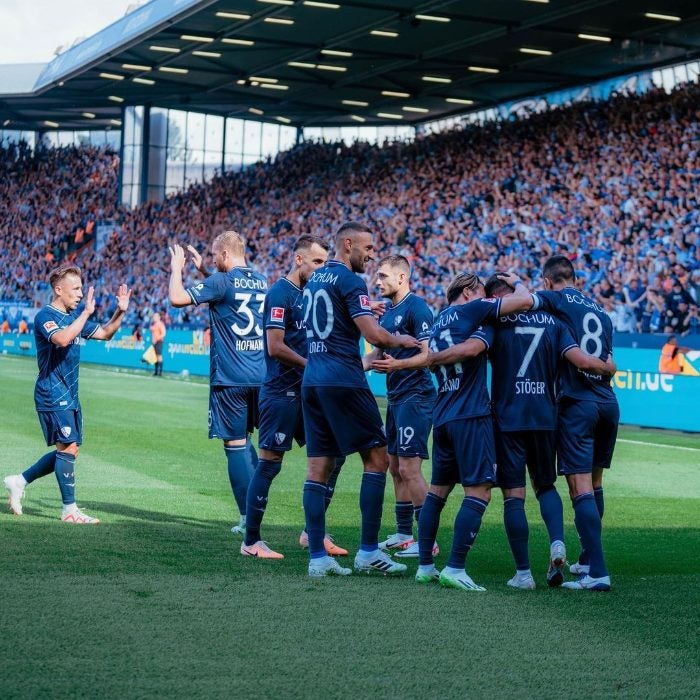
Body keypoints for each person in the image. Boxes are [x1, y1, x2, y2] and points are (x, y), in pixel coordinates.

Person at [301, 221, 421, 578]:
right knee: (377, 458)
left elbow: (343, 322)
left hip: (313, 380)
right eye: (368, 249)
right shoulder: (351, 281)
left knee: (316, 471)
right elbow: (371, 334)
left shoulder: (314, 282)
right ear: (348, 244)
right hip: (344, 380)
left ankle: (318, 559)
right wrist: (402, 341)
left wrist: (368, 318)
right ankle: (368, 551)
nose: (371, 256)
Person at [484, 275, 616, 589]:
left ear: (496, 297)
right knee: (546, 486)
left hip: (509, 415)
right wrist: (608, 367)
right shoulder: (555, 323)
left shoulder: (495, 319)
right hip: (546, 416)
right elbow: (580, 359)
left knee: (513, 495)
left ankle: (523, 574)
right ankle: (560, 542)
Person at [414, 272, 529, 591]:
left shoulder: (437, 322)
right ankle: (455, 567)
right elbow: (524, 300)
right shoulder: (472, 310)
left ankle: (425, 565)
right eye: (480, 292)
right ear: (466, 292)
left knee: (437, 492)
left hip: (444, 413)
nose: (485, 298)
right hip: (471, 414)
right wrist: (518, 282)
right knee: (479, 492)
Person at [242, 235, 347, 559]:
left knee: (334, 456)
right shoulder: (279, 293)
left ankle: (311, 532)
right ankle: (251, 541)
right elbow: (275, 347)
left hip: (308, 392)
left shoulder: (313, 294)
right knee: (270, 463)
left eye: (324, 264)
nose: (320, 269)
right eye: (316, 262)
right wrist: (313, 365)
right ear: (299, 259)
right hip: (281, 392)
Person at [4, 264, 131, 523]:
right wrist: (85, 314)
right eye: (76, 289)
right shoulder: (45, 316)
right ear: (58, 290)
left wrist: (120, 311)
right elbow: (61, 339)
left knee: (70, 451)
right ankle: (69, 510)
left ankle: (19, 480)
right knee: (68, 447)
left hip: (70, 392)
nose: (81, 293)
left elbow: (106, 333)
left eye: (81, 289)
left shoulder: (75, 318)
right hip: (52, 391)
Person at [169, 231, 266, 535]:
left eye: (213, 256)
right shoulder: (262, 280)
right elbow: (228, 290)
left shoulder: (221, 281)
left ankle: (249, 519)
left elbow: (176, 299)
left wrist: (176, 269)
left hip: (230, 377)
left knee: (235, 445)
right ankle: (254, 509)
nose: (211, 260)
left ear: (225, 254)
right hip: (262, 376)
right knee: (249, 441)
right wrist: (202, 271)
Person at [362, 254, 437, 559]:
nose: (377, 281)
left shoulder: (417, 308)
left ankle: (428, 540)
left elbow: (428, 355)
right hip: (396, 399)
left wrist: (398, 366)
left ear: (402, 277)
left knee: (409, 467)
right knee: (394, 467)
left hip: (416, 397)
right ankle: (404, 534)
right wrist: (346, 369)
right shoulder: (388, 312)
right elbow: (375, 355)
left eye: (382, 276)